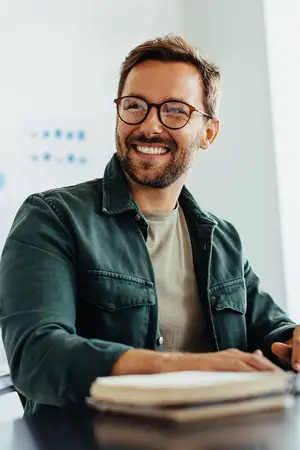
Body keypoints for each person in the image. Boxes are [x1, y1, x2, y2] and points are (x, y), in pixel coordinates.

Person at [0, 35, 298, 415]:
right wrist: (184, 367)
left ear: (208, 132)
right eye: (135, 106)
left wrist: (293, 339)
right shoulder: (52, 218)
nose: (150, 126)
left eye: (175, 110)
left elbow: (270, 332)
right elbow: (37, 356)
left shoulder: (221, 239)